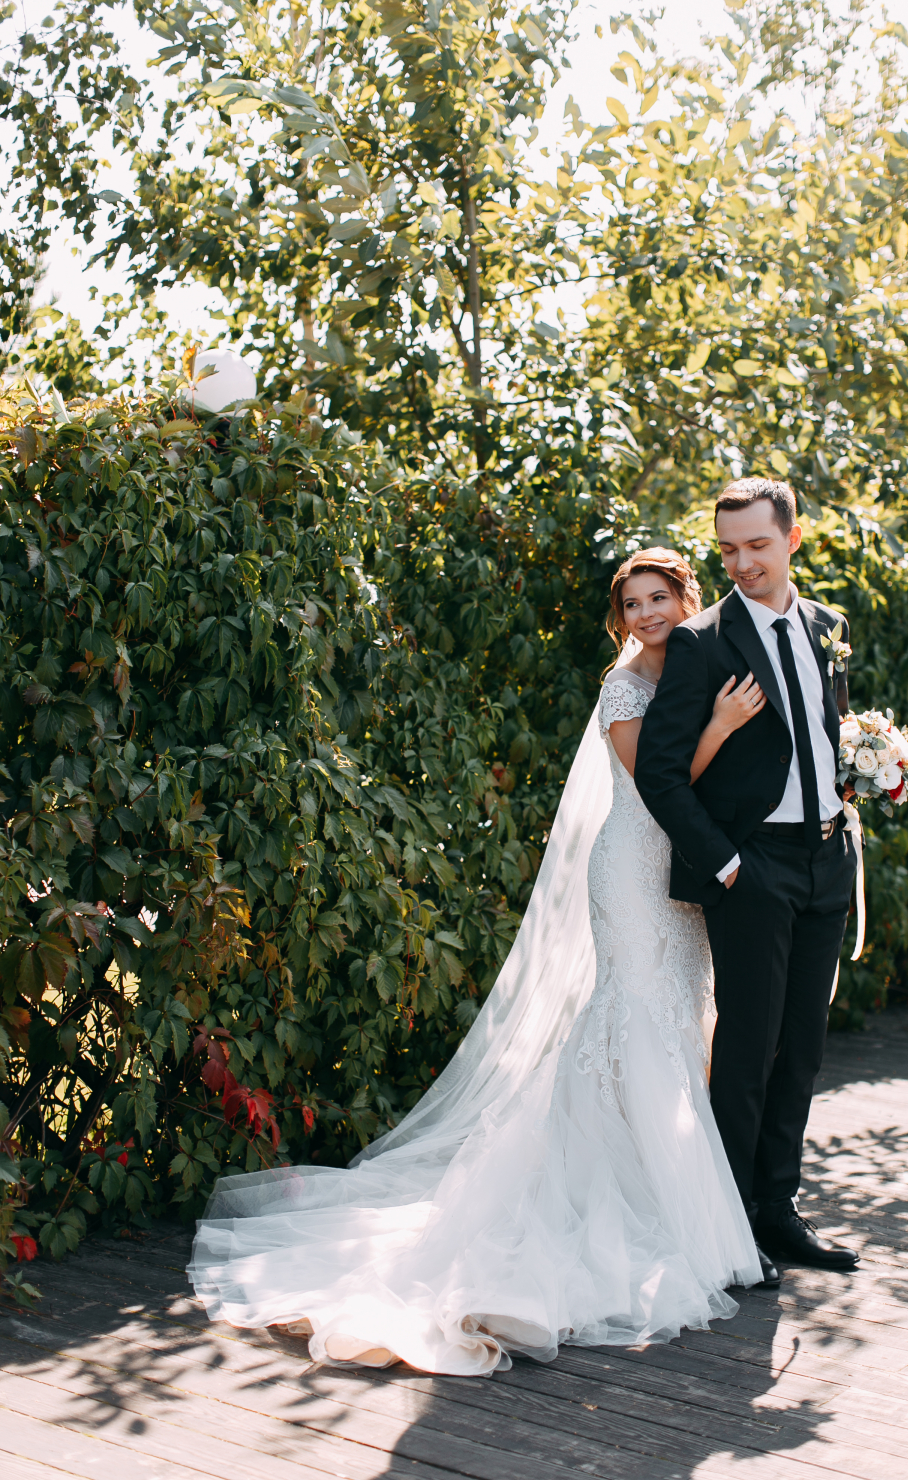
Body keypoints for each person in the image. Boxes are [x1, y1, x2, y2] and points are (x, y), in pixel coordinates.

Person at [188, 548, 768, 1377]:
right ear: (621, 617)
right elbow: (658, 783)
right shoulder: (622, 686)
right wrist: (721, 728)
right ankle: (619, 1199)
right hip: (632, 870)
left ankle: (670, 1192)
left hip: (684, 874)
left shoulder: (697, 667)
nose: (647, 614)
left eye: (659, 598)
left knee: (680, 1017)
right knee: (632, 1014)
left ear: (686, 598)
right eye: (634, 603)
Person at [634, 479, 860, 1287]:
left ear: (791, 539)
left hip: (828, 859)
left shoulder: (829, 627)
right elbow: (659, 773)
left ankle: (777, 1209)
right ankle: (729, 1230)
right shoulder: (702, 643)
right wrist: (729, 865)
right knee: (746, 1050)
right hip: (754, 865)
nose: (742, 563)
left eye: (758, 545)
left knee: (803, 1044)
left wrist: (864, 780)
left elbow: (827, 734)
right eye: (728, 549)